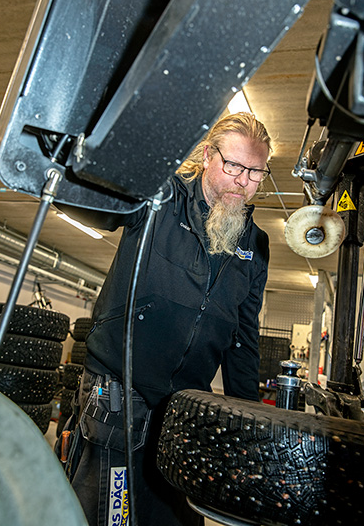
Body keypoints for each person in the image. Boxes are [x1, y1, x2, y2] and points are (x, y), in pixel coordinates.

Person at [61, 112, 272, 526]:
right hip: (118, 396)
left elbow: (243, 338)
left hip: (185, 410)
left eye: (255, 172)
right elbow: (100, 208)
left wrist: (248, 422)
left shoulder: (255, 244)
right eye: (233, 165)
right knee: (107, 517)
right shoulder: (160, 196)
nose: (242, 181)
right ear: (208, 155)